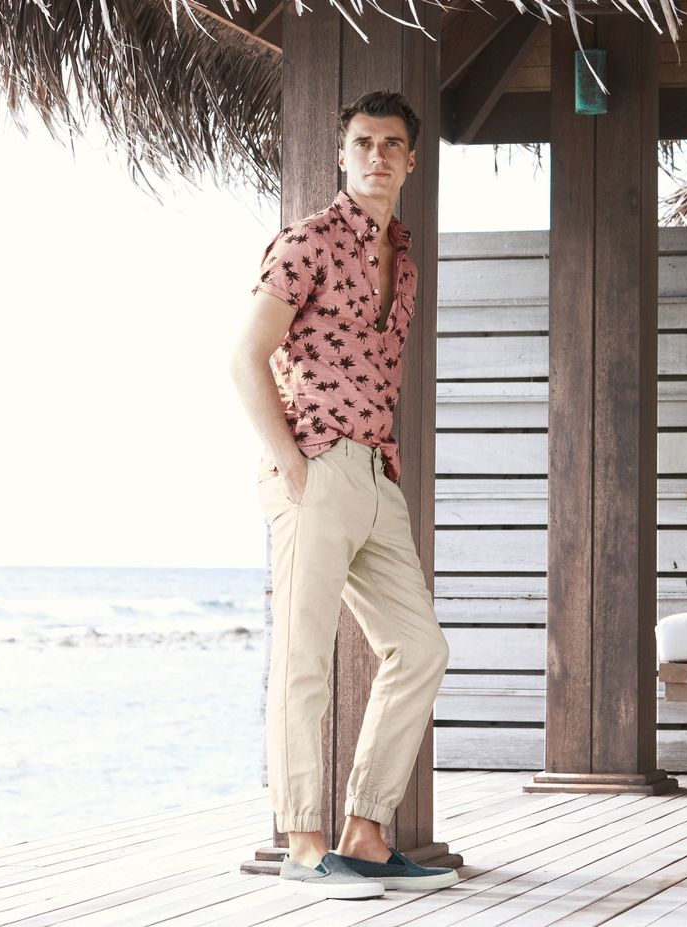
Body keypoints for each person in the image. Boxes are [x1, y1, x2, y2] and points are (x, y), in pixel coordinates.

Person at [229, 89, 456, 899]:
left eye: (392, 144)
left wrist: (370, 471)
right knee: (303, 656)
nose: (376, 156)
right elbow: (244, 356)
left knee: (420, 649)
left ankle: (364, 832)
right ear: (342, 154)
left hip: (375, 475)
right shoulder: (307, 243)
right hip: (315, 465)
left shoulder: (406, 262)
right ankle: (303, 843)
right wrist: (292, 464)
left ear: (411, 160)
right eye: (362, 142)